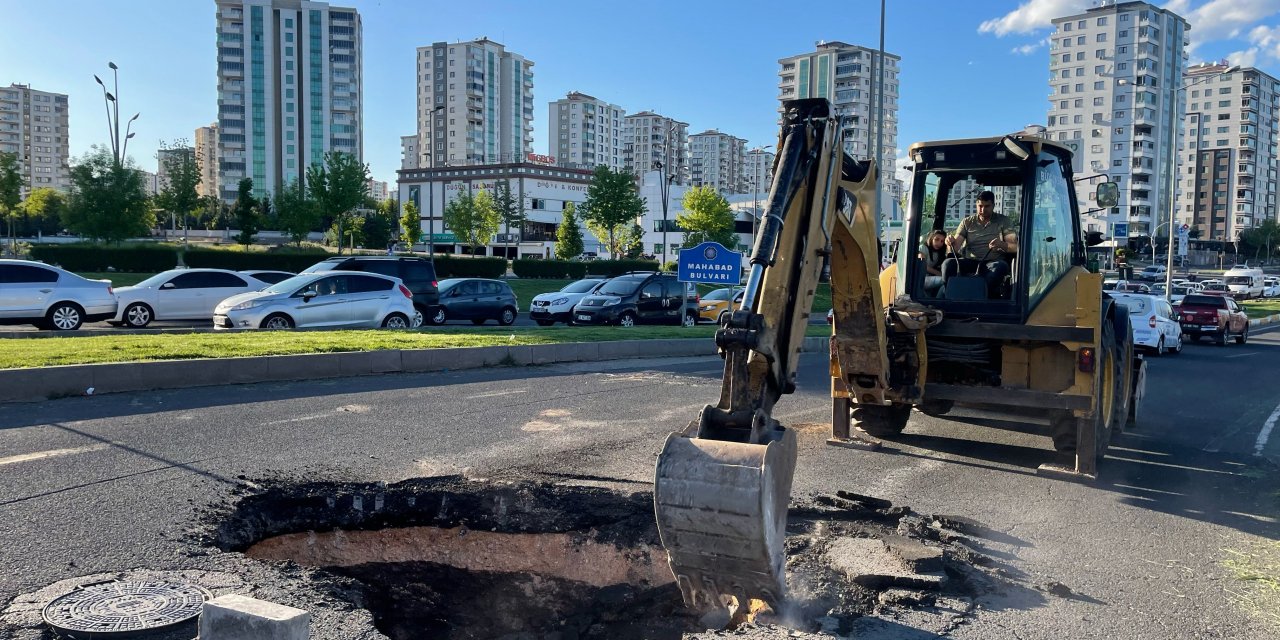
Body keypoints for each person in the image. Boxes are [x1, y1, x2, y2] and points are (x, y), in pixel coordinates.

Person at [943, 191, 1018, 297]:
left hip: (992, 263)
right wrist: (949, 242)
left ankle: (983, 298)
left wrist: (1001, 244)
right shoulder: (967, 222)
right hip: (970, 261)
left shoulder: (1003, 221)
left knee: (1000, 267)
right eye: (980, 206)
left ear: (993, 205)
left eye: (987, 206)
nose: (983, 210)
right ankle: (949, 296)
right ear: (976, 205)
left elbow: (1015, 247)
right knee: (948, 264)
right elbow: (954, 248)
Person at [920, 230, 948, 296]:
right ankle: (938, 301)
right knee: (945, 280)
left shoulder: (939, 253)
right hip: (921, 279)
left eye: (942, 241)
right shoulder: (923, 248)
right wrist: (940, 274)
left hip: (930, 277)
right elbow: (923, 266)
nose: (939, 243)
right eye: (936, 239)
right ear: (931, 238)